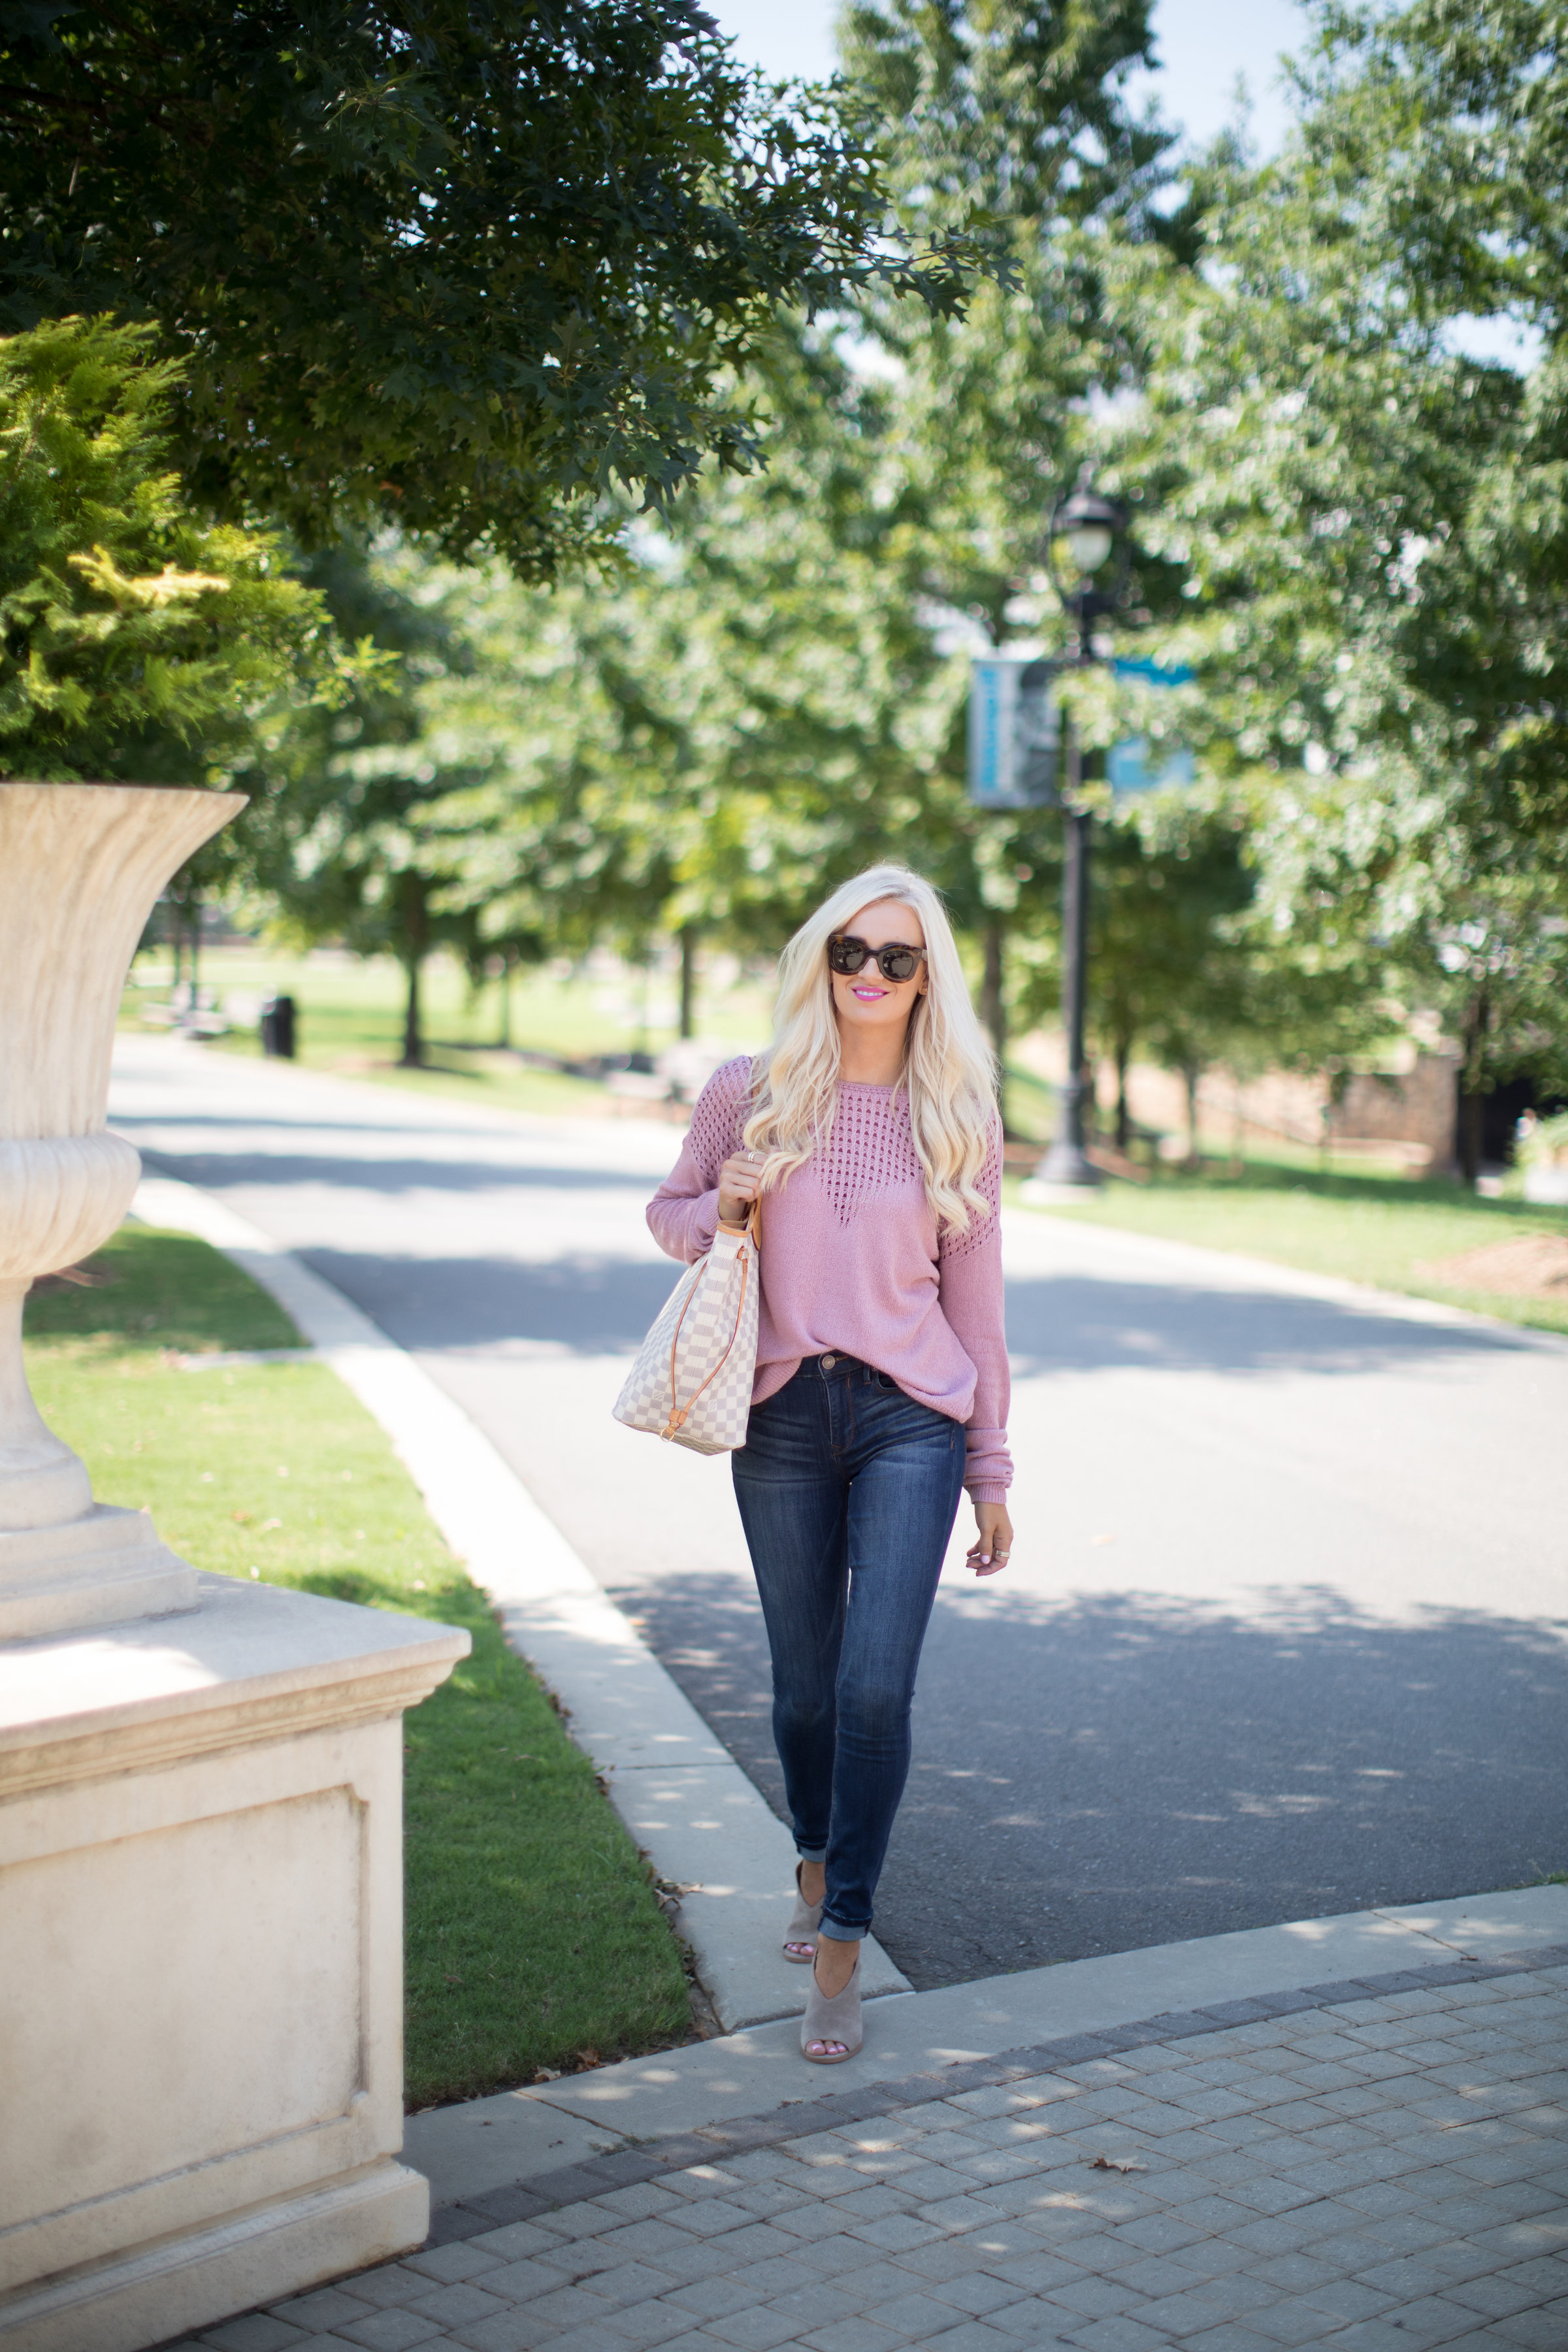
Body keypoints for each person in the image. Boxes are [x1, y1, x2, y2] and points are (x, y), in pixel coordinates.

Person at [647, 865, 1013, 2063]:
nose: (868, 974)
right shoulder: (748, 1092)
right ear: (821, 959)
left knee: (873, 1689)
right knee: (804, 1687)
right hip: (784, 1414)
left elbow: (980, 1310)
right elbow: (668, 1212)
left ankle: (846, 1930)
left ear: (927, 977)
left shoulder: (958, 1113)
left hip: (914, 1416)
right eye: (849, 951)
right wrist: (724, 1206)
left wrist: (992, 1469)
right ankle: (812, 1853)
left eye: (895, 958)